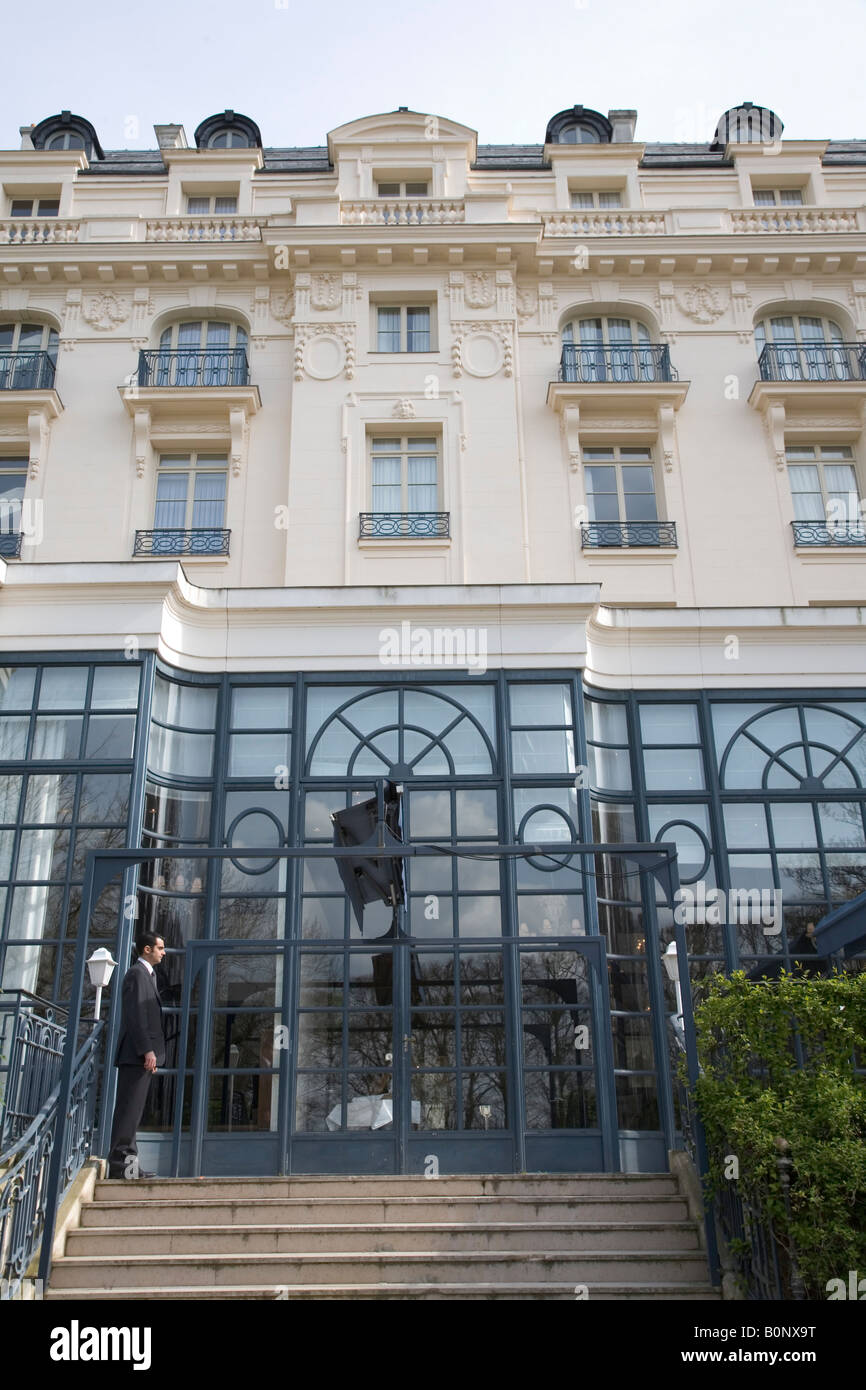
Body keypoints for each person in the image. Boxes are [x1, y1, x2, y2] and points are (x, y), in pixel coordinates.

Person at [107, 932, 166, 1179]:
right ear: (146, 949)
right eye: (160, 948)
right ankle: (121, 1167)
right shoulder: (136, 975)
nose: (164, 952)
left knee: (134, 1113)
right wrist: (147, 1050)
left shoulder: (147, 977)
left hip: (141, 1057)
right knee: (129, 1111)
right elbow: (135, 1016)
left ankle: (129, 1169)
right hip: (136, 1056)